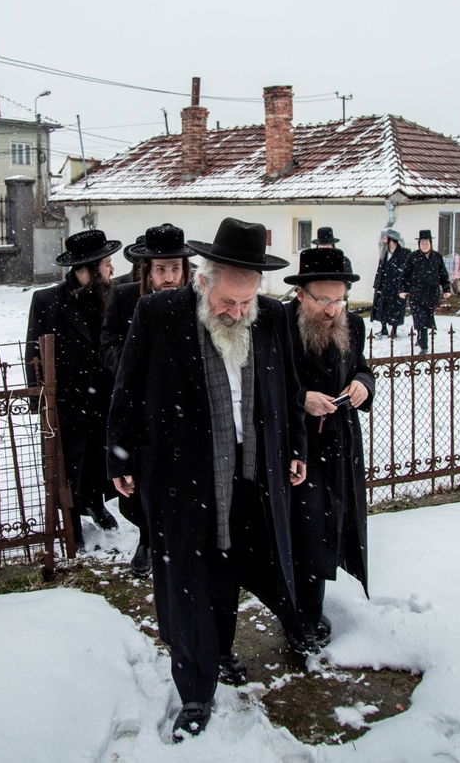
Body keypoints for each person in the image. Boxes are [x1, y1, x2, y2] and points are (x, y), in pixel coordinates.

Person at [107, 217, 308, 742]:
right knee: (188, 583)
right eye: (228, 303)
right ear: (203, 281)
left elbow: (288, 392)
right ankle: (194, 689)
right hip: (180, 476)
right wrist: (119, 459)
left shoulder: (272, 320)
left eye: (246, 303)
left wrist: (295, 450)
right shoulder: (159, 314)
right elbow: (126, 389)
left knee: (231, 571)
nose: (238, 313)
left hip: (249, 473)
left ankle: (221, 650)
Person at [284, 247, 372, 649]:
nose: (333, 309)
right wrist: (301, 398)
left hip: (338, 443)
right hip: (294, 446)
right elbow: (262, 385)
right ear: (301, 294)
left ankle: (310, 612)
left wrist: (362, 385)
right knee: (301, 530)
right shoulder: (280, 325)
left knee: (327, 528)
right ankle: (301, 617)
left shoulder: (352, 324)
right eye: (323, 299)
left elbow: (361, 368)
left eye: (339, 299)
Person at [98, 223, 196, 577]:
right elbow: (107, 345)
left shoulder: (197, 299)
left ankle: (183, 542)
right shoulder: (125, 298)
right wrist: (134, 363)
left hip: (187, 409)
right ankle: (148, 538)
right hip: (141, 410)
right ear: (147, 270)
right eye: (161, 270)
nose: (169, 277)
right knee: (142, 482)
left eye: (175, 269)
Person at [26, 229, 123, 548]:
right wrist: (40, 402)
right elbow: (34, 353)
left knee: (100, 458)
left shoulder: (113, 295)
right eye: (107, 263)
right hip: (66, 400)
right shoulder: (47, 300)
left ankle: (95, 504)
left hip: (104, 396)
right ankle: (70, 519)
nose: (111, 269)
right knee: (69, 464)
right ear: (89, 269)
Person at [398, 230, 452, 351]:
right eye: (422, 242)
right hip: (416, 294)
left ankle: (420, 338)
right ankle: (424, 346)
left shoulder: (437, 257)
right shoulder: (413, 257)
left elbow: (443, 274)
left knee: (426, 318)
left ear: (431, 243)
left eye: (427, 242)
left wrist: (446, 288)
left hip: (431, 294)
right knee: (420, 318)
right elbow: (405, 275)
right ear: (419, 244)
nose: (424, 245)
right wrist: (403, 289)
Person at [370, 228, 408, 340]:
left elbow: (407, 270)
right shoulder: (384, 252)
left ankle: (394, 329)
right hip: (384, 284)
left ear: (391, 239)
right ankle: (384, 327)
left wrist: (404, 286)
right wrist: (377, 284)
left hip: (397, 285)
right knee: (382, 305)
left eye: (385, 237)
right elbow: (380, 268)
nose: (383, 239)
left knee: (396, 307)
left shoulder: (404, 253)